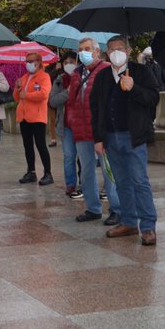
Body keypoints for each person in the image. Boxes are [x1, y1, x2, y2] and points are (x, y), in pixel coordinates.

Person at [92, 36, 161, 245]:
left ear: (129, 51)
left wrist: (134, 88)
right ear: (106, 53)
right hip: (111, 138)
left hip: (134, 136)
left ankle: (148, 226)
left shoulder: (141, 72)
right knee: (121, 182)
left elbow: (153, 98)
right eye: (111, 49)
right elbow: (96, 109)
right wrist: (98, 138)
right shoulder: (103, 76)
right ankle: (129, 221)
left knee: (139, 181)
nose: (116, 52)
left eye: (120, 48)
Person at [68, 37, 121, 225]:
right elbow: (72, 102)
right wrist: (71, 122)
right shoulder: (76, 73)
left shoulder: (106, 69)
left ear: (97, 51)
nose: (83, 52)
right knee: (87, 171)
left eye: (87, 48)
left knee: (109, 171)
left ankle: (116, 209)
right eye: (81, 49)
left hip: (101, 130)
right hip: (81, 130)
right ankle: (92, 208)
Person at [15, 51, 53, 185]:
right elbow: (17, 97)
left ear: (39, 62)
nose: (29, 64)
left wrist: (27, 95)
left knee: (41, 144)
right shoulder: (24, 77)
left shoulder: (44, 76)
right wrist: (17, 88)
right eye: (27, 61)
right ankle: (31, 171)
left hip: (37, 117)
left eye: (32, 61)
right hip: (24, 117)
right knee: (27, 145)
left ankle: (48, 173)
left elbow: (43, 94)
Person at [49, 53, 76, 195]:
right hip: (66, 126)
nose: (69, 64)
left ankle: (86, 183)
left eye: (72, 61)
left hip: (82, 125)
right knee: (69, 156)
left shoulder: (84, 78)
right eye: (66, 62)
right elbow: (52, 101)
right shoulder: (59, 81)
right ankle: (71, 184)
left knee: (85, 159)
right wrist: (67, 92)